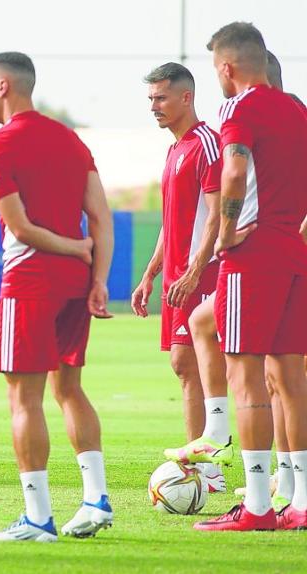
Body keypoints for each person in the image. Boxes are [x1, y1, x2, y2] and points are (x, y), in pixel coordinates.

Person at [0, 51, 116, 542]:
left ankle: (37, 517)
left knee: (24, 398)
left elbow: (20, 228)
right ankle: (96, 498)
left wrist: (74, 247)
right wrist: (97, 276)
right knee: (69, 389)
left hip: (29, 283)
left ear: (3, 87)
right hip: (75, 284)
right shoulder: (70, 139)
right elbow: (101, 215)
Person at [193, 22, 307, 532]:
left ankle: (258, 504)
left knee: (245, 376)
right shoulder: (297, 109)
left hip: (253, 255)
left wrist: (225, 232)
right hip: (295, 252)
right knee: (290, 377)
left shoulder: (239, 108)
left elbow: (233, 170)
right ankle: (300, 500)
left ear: (226, 67)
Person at [129, 63, 229, 493]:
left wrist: (194, 270)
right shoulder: (175, 150)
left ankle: (215, 465)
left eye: (161, 98)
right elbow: (174, 223)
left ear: (186, 97)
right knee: (184, 367)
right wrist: (150, 273)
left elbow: (217, 216)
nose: (153, 106)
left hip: (203, 274)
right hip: (176, 277)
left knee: (213, 368)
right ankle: (204, 465)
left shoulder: (207, 143)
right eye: (150, 98)